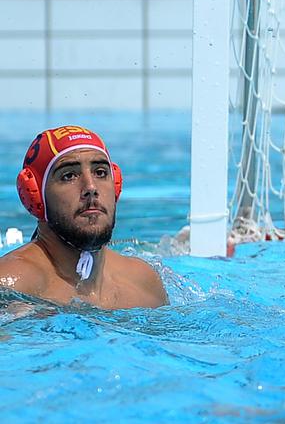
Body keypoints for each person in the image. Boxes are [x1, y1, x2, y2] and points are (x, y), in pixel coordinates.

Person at [0, 126, 167, 308]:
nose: (91, 187)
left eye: (100, 172)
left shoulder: (145, 284)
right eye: (69, 175)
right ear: (35, 195)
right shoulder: (11, 287)